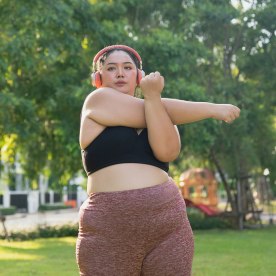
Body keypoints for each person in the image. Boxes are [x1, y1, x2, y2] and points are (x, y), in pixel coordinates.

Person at [76, 45, 240, 276]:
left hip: (168, 222)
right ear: (98, 78)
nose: (120, 73)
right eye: (111, 68)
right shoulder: (97, 100)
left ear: (139, 76)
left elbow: (167, 153)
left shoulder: (160, 111)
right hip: (111, 223)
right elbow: (150, 110)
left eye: (127, 67)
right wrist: (211, 109)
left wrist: (153, 97)